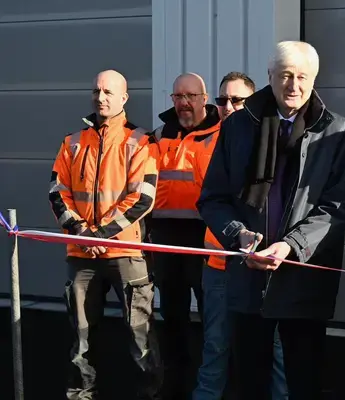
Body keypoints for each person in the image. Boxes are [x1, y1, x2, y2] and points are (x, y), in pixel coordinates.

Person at [197, 40, 345, 400]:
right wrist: (237, 235)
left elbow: (338, 207)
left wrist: (291, 245)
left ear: (314, 79)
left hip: (305, 278)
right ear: (269, 76)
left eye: (302, 76)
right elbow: (213, 198)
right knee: (249, 382)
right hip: (247, 276)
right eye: (285, 75)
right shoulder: (239, 125)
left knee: (303, 382)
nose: (293, 85)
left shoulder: (339, 132)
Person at [50, 70, 160, 399]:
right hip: (82, 254)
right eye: (97, 91)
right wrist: (83, 232)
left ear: (124, 98)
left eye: (109, 92)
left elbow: (143, 198)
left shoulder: (141, 141)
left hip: (126, 254)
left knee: (140, 339)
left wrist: (101, 234)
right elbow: (58, 193)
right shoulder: (72, 141)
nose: (101, 97)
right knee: (81, 341)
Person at [195, 71, 289, 400]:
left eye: (238, 100)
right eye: (222, 100)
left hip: (263, 268)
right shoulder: (203, 143)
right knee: (216, 350)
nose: (228, 106)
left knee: (277, 356)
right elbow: (205, 200)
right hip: (219, 267)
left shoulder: (265, 140)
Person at [149, 72, 221, 399]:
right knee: (173, 312)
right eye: (178, 97)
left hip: (205, 236)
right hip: (165, 236)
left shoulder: (221, 134)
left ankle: (212, 381)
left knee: (211, 311)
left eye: (191, 96)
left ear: (204, 98)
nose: (184, 103)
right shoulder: (159, 135)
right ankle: (176, 381)